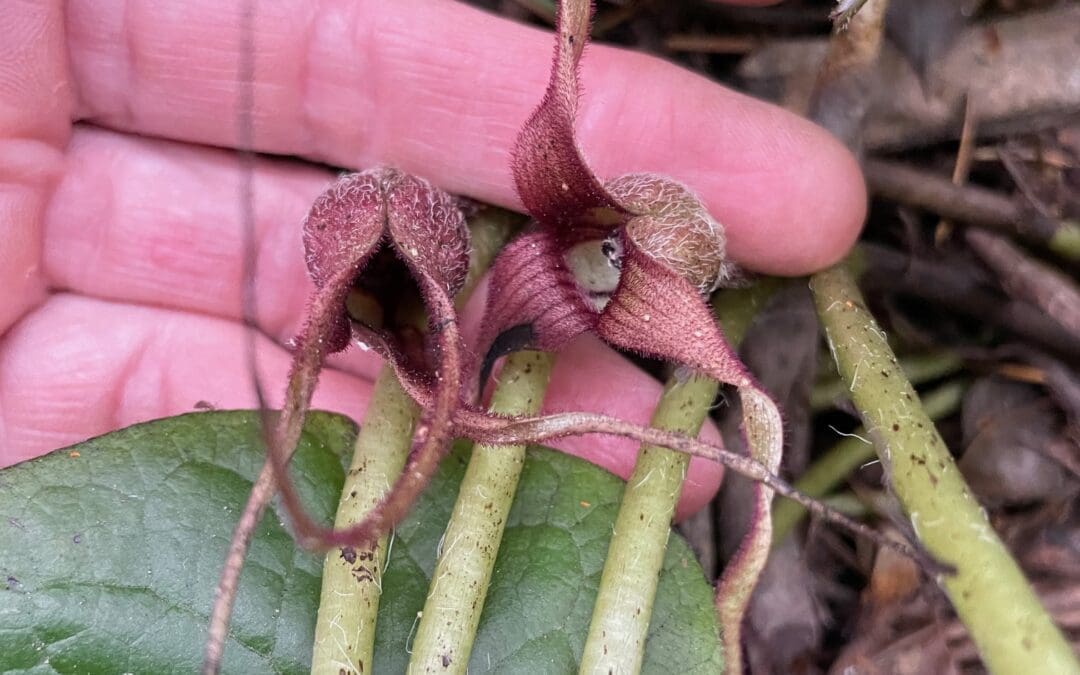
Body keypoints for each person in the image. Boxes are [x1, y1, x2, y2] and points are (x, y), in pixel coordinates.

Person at [0, 0, 865, 520]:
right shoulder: (463, 282)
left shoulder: (569, 249)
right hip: (515, 262)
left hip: (569, 248)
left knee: (741, 399)